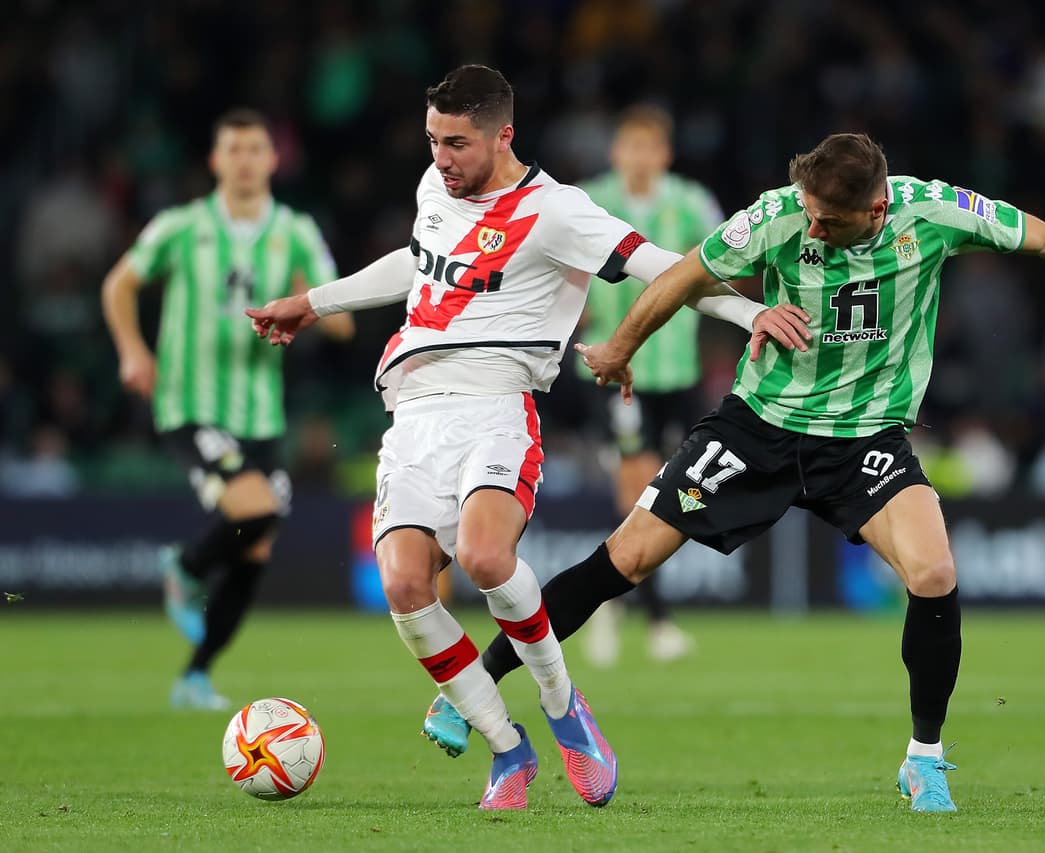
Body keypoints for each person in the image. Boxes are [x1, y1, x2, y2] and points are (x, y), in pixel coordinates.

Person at [424, 132, 1045, 812]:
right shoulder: (779, 216)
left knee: (934, 570)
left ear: (877, 208)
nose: (811, 231)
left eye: (829, 221)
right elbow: (682, 274)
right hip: (760, 425)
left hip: (865, 441)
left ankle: (924, 757)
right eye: (810, 213)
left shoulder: (932, 213)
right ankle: (474, 685)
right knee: (626, 558)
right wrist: (620, 347)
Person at [243, 65, 805, 810]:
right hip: (412, 413)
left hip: (498, 407)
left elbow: (663, 268)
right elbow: (418, 263)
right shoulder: (434, 188)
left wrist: (749, 314)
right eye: (434, 140)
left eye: (459, 143)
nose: (443, 157)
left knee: (483, 555)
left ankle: (565, 706)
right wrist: (314, 302)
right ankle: (509, 749)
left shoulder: (559, 212)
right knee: (407, 584)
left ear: (504, 135)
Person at [102, 108, 354, 712]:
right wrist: (133, 351)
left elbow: (341, 320)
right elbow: (119, 284)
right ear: (215, 161)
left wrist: (306, 301)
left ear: (274, 159)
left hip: (260, 414)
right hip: (190, 404)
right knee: (257, 509)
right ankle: (186, 567)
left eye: (255, 149)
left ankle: (194, 675)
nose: (244, 159)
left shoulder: (295, 231)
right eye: (233, 149)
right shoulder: (180, 226)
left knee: (256, 544)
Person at [576, 104, 724, 666]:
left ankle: (616, 606)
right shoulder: (590, 199)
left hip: (676, 370)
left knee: (666, 490)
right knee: (637, 488)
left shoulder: (689, 201)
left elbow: (728, 257)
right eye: (630, 146)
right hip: (617, 368)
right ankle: (653, 617)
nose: (639, 157)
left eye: (650, 147)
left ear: (665, 154)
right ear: (616, 152)